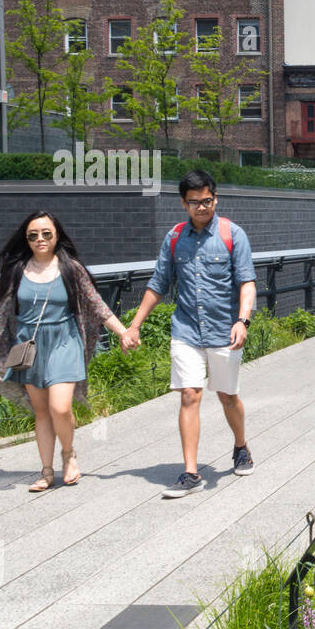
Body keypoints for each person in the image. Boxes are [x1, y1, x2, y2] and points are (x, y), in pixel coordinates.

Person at [0, 212, 130, 491]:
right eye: (33, 235)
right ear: (26, 239)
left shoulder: (71, 268)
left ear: (57, 235)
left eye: (46, 233)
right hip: (28, 345)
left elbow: (97, 305)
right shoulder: (17, 270)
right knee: (41, 411)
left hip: (64, 340)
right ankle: (46, 471)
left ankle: (69, 454)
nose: (40, 239)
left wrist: (124, 332)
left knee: (60, 406)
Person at [123, 170, 258, 499]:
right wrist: (135, 324)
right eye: (194, 202)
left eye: (207, 200)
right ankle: (190, 472)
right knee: (189, 395)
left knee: (228, 396)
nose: (202, 207)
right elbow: (158, 284)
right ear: (184, 203)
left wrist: (243, 320)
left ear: (216, 198)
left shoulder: (232, 234)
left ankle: (241, 446)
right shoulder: (174, 238)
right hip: (186, 329)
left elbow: (247, 283)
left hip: (225, 330)